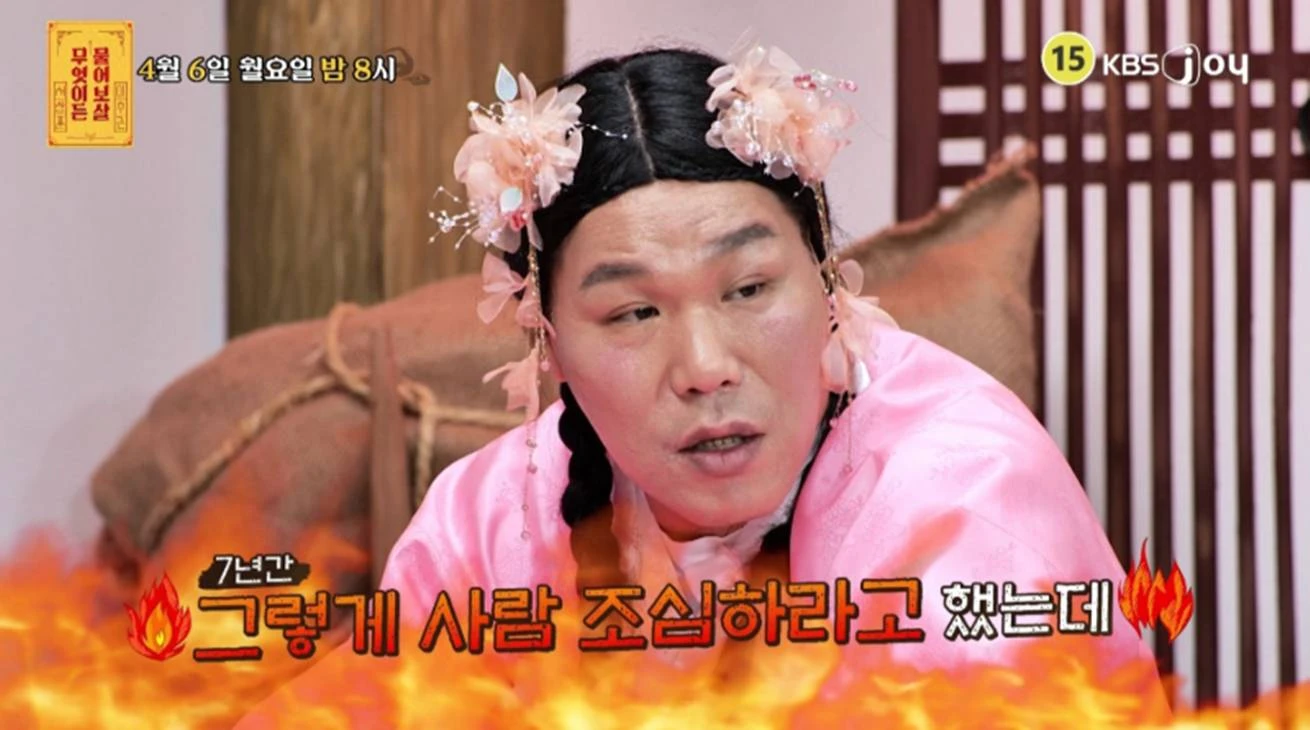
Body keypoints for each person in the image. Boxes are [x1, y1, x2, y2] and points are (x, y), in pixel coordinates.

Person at [239, 43, 1161, 724]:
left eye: (749, 289)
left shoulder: (960, 505)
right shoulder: (496, 514)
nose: (705, 366)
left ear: (827, 284)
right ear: (549, 343)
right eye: (634, 312)